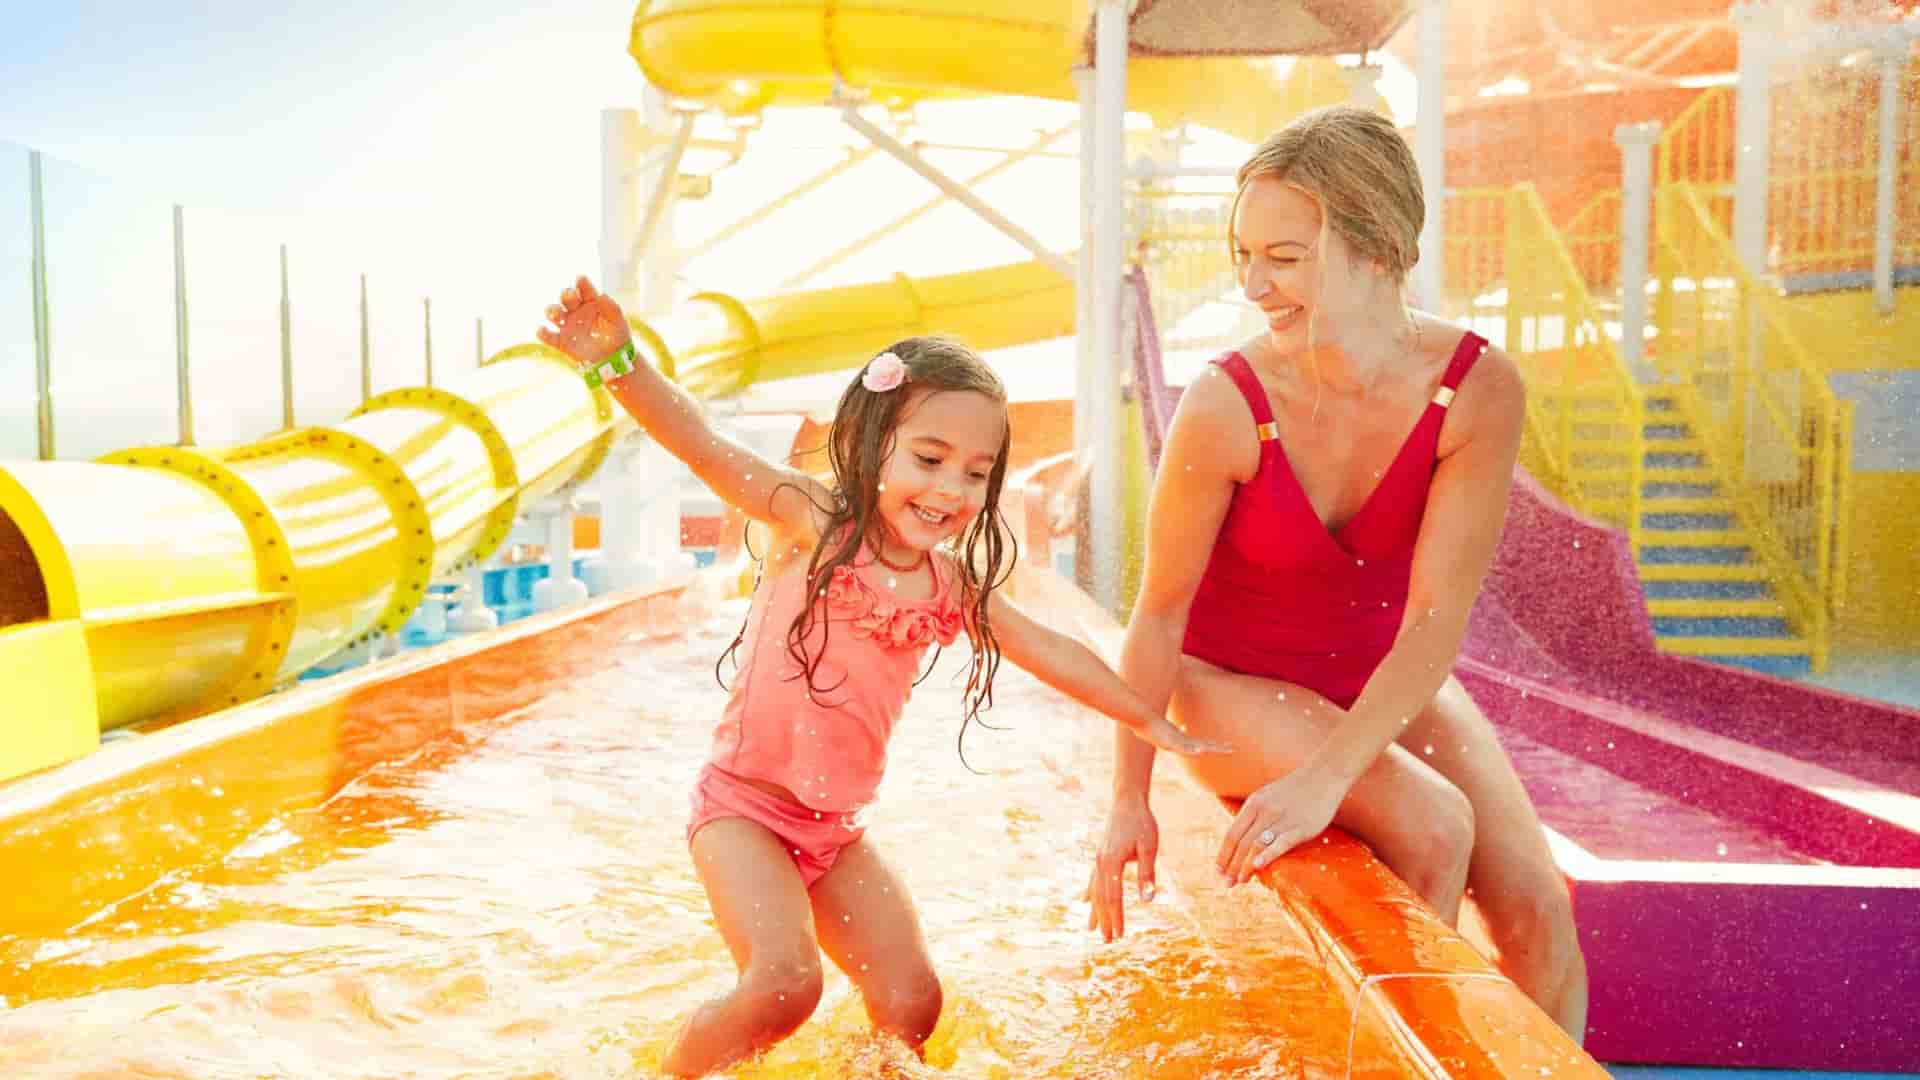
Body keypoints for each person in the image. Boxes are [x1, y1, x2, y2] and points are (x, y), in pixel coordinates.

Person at [537, 277, 1227, 1077]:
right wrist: (619, 362)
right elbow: (701, 444)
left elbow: (1052, 651)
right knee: (784, 986)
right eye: (929, 459)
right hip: (742, 813)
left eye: (975, 473)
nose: (949, 490)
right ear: (872, 448)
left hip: (832, 833)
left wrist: (1149, 717)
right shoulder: (815, 521)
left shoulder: (951, 587)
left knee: (912, 1003)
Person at [1083, 105, 1589, 1039]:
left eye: (1284, 255)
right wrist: (1129, 797)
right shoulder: (1227, 403)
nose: (1253, 283)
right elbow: (1156, 615)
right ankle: (1396, 1056)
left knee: (1539, 913)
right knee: (1433, 825)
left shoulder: (1476, 387)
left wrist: (1331, 771)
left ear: (1378, 245)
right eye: (1245, 254)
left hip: (1375, 674)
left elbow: (1436, 619)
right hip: (1226, 687)